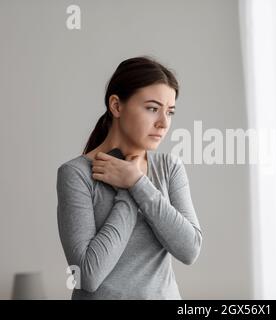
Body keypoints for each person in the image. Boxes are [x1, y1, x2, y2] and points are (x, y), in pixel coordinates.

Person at [56, 56, 202, 299]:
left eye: (170, 112)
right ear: (116, 106)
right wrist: (127, 192)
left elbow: (190, 250)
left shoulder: (169, 167)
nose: (164, 123)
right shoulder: (76, 174)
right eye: (152, 109)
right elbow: (88, 276)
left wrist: (137, 183)